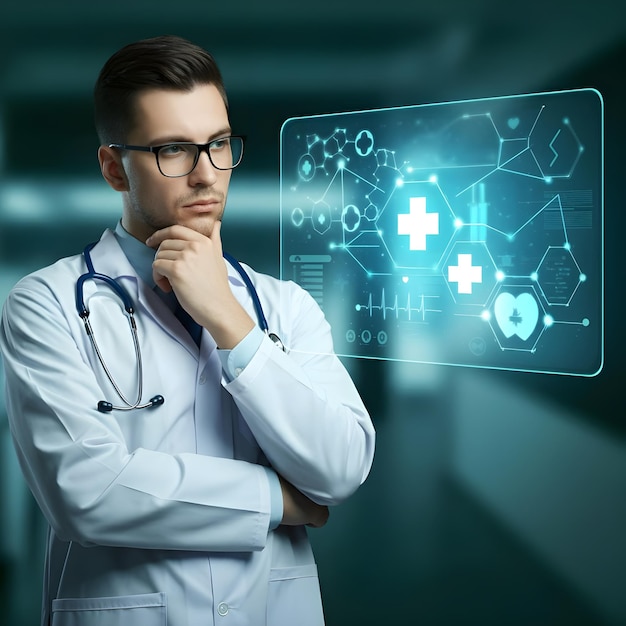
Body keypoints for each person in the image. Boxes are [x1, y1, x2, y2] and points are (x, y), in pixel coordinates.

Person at [0, 35, 375, 626]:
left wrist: (231, 323)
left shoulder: (284, 306)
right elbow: (85, 493)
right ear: (113, 169)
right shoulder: (46, 303)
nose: (206, 174)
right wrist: (277, 499)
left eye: (219, 144)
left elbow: (342, 465)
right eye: (173, 150)